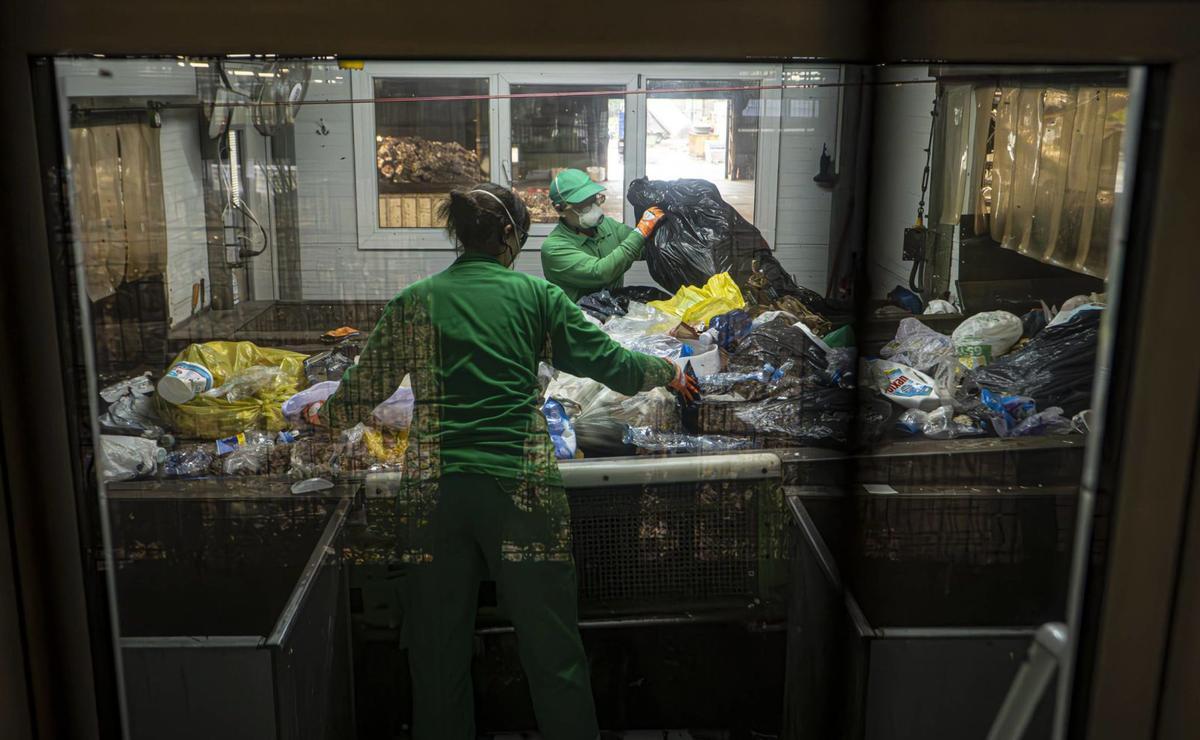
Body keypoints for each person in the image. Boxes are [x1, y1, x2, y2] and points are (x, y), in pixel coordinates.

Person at [304, 183, 698, 740]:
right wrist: (668, 372)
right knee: (551, 644)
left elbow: (363, 386)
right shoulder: (537, 299)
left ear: (458, 236)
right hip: (521, 488)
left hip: (435, 492)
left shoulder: (415, 301)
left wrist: (326, 412)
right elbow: (610, 362)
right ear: (511, 235)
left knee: (437, 652)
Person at [541, 168, 666, 302]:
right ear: (560, 209)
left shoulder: (607, 226)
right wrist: (641, 231)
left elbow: (646, 248)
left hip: (613, 315)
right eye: (583, 206)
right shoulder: (554, 249)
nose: (594, 208)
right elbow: (601, 273)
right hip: (578, 320)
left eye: (594, 200)